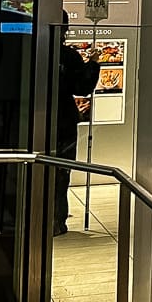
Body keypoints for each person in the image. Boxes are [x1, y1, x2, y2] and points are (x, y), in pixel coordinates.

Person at [55, 17, 99, 235]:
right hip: (63, 122)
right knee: (61, 172)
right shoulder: (68, 56)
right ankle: (56, 221)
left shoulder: (29, 48)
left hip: (33, 119)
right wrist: (93, 64)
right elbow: (82, 87)